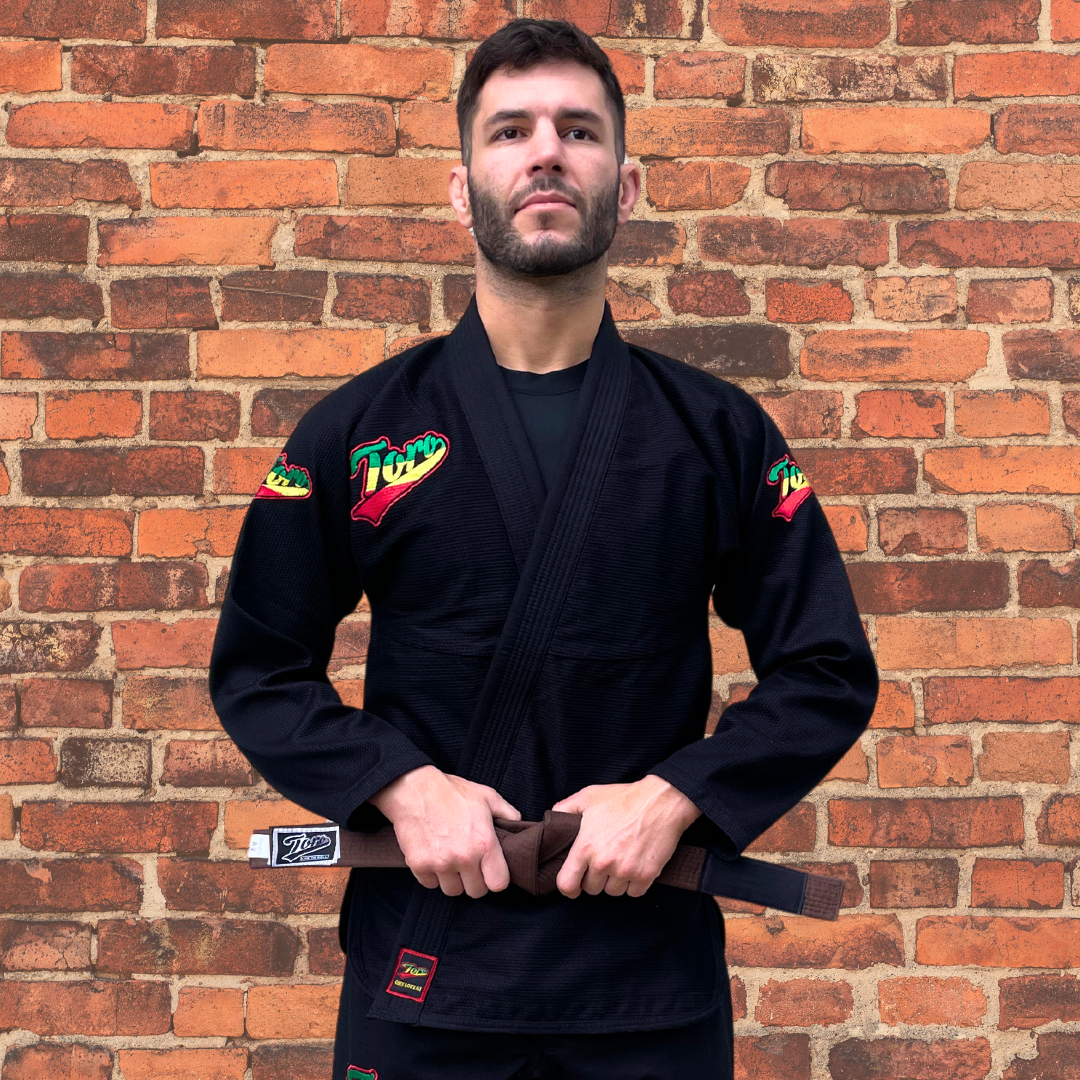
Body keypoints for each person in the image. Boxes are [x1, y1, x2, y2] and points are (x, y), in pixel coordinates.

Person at [209, 18, 878, 1080]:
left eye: (579, 129)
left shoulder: (717, 434)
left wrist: (675, 796)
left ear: (629, 181)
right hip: (427, 970)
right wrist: (400, 786)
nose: (546, 152)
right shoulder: (358, 431)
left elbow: (827, 668)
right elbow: (259, 667)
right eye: (509, 130)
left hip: (643, 985)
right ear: (460, 185)